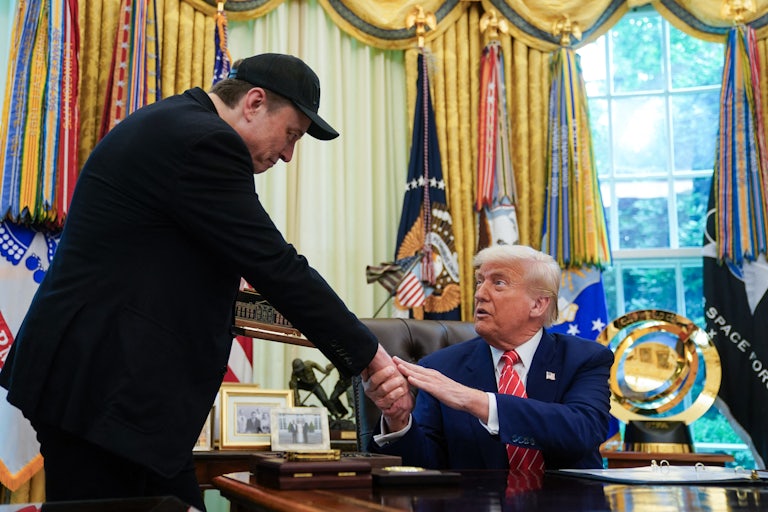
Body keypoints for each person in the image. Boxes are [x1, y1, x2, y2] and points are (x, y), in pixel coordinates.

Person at [0, 53, 408, 511]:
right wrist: (370, 354)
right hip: (103, 390)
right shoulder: (204, 143)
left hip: (99, 386)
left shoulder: (175, 122)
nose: (290, 154)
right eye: (291, 134)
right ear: (254, 102)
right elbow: (276, 265)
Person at [364, 244, 614, 471]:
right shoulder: (441, 368)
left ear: (538, 305)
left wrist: (476, 401)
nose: (480, 294)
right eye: (479, 281)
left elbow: (583, 430)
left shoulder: (585, 358)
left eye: (499, 283)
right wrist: (398, 421)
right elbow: (426, 467)